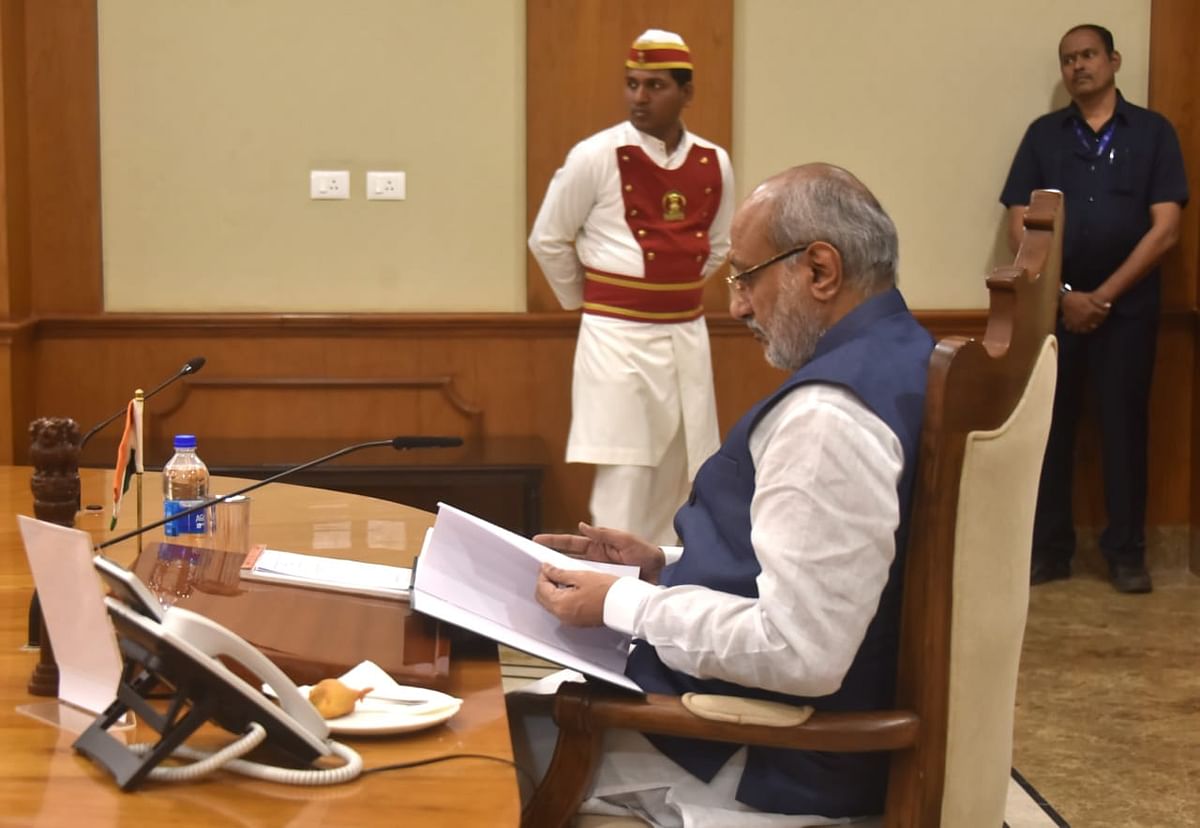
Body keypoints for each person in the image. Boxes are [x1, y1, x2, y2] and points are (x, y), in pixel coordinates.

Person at [514, 164, 935, 825]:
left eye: (746, 276)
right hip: (749, 728)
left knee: (470, 742)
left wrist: (623, 602)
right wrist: (665, 565)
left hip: (755, 756)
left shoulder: (830, 416)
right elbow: (832, 572)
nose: (738, 304)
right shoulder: (905, 355)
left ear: (819, 270)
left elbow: (801, 650)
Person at [1000, 24, 1188, 593]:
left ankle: (1127, 554)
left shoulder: (1154, 134)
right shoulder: (1043, 136)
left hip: (1127, 312)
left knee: (1124, 430)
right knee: (1049, 432)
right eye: (1068, 59)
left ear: (1113, 60)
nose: (1078, 66)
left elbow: (1167, 230)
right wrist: (1064, 296)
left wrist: (1103, 297)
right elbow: (1018, 221)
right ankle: (1049, 551)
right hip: (1054, 309)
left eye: (1088, 55)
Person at [528, 29, 734, 545]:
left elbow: (719, 243)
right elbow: (548, 238)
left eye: (655, 86)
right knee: (625, 476)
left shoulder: (714, 162)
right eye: (632, 84)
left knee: (682, 472)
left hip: (686, 335)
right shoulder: (594, 156)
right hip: (615, 337)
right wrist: (590, 301)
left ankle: (662, 602)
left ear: (686, 92)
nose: (640, 97)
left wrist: (673, 289)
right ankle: (604, 601)